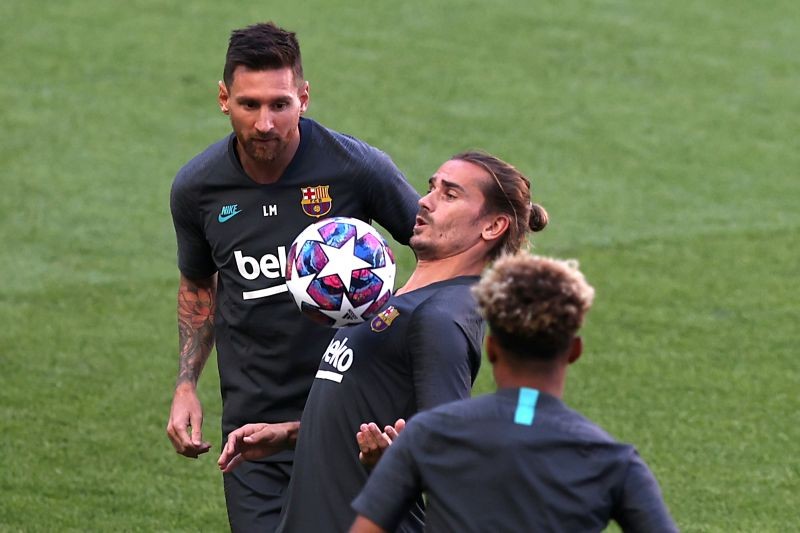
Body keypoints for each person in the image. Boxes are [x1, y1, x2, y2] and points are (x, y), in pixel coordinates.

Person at [166, 22, 420, 532]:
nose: (265, 123)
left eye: (280, 104)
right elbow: (198, 285)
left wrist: (391, 311)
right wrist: (186, 383)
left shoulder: (357, 169)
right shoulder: (197, 189)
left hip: (353, 415)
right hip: (254, 434)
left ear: (304, 97)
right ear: (223, 99)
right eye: (249, 104)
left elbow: (440, 251)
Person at [217, 151, 550, 532]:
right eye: (431, 187)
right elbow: (377, 412)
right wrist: (294, 433)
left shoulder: (439, 317)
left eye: (450, 195)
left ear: (492, 227)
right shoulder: (401, 303)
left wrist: (396, 465)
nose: (425, 201)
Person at [349, 253, 679, 533]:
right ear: (574, 351)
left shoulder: (426, 436)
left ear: (491, 348)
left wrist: (393, 471)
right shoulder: (612, 462)